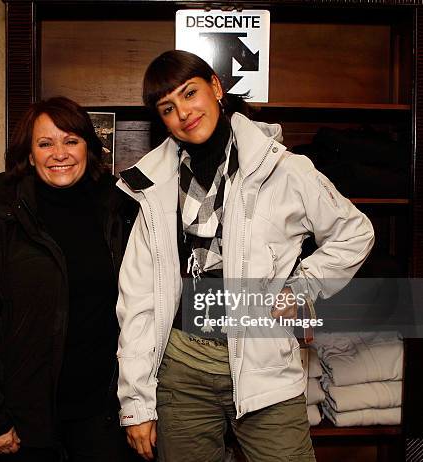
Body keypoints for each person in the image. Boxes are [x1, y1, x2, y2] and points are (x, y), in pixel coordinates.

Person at [115, 50, 375, 462]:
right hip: (182, 373)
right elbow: (138, 301)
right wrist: (137, 403)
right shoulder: (154, 186)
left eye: (190, 93)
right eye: (168, 107)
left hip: (264, 368)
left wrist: (301, 287)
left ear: (216, 88)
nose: (184, 112)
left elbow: (355, 232)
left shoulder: (284, 169)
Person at [0, 96, 138, 461]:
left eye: (71, 141)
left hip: (104, 416)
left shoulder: (120, 210)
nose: (59, 153)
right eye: (45, 143)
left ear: (89, 149)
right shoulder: (1, 220)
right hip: (27, 423)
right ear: (30, 155)